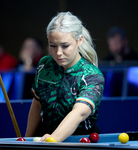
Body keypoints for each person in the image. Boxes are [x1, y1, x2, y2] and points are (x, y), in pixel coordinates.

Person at [25, 12, 105, 142]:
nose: (58, 53)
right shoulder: (44, 65)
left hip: (81, 142)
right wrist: (26, 141)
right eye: (53, 46)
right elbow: (37, 104)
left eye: (65, 46)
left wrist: (53, 139)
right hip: (46, 139)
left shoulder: (92, 75)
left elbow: (78, 113)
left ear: (79, 40)